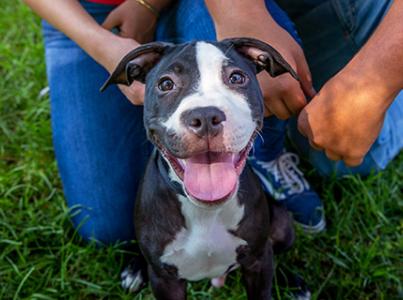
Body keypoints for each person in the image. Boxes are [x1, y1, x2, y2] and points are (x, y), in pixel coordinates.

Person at [23, 0, 402, 244]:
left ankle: (265, 149)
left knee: (353, 160)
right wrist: (102, 46)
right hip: (88, 12)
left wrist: (150, 4)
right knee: (103, 226)